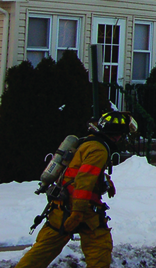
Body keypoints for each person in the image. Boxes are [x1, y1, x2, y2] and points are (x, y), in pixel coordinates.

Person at [16, 111, 138, 268]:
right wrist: (78, 212)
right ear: (117, 134)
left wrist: (105, 181)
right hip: (81, 209)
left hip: (60, 206)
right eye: (122, 134)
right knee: (99, 249)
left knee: (43, 249)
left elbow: (77, 171)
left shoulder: (87, 143)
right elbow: (83, 181)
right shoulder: (98, 150)